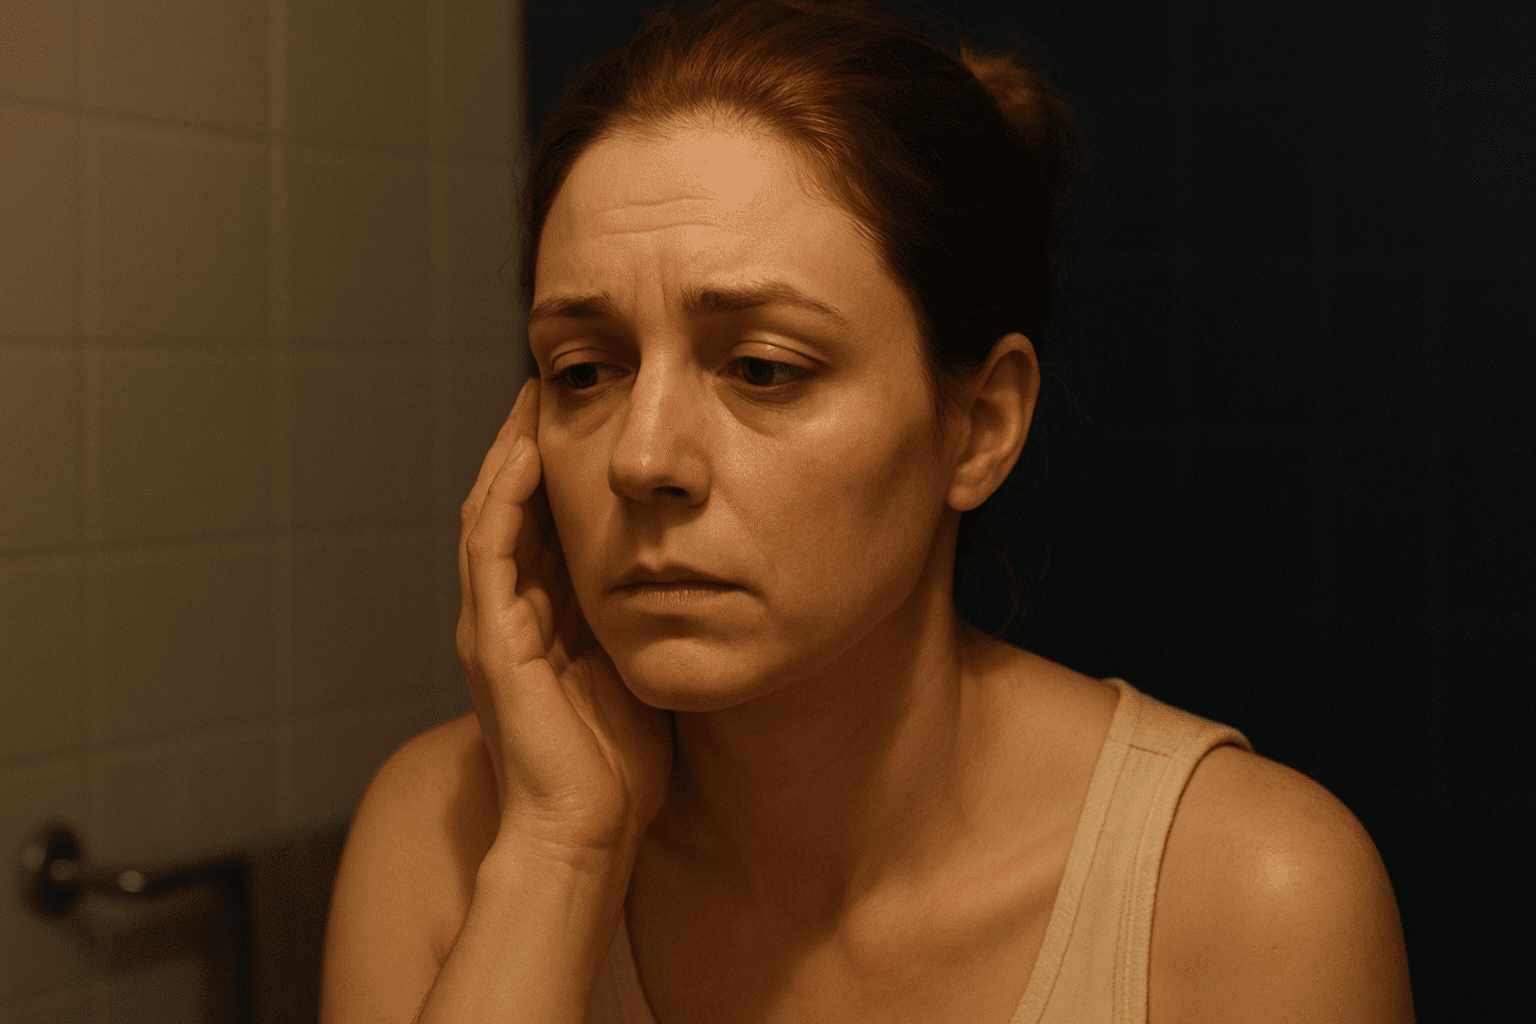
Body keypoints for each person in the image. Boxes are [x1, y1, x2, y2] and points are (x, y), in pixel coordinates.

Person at [319, 1, 1415, 1021]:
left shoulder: (1250, 895)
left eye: (762, 367)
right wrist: (560, 856)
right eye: (584, 370)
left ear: (979, 426)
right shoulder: (450, 835)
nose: (642, 459)